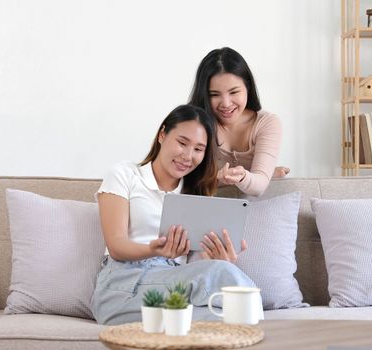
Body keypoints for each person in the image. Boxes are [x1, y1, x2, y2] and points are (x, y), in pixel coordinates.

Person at [90, 104, 259, 325]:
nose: (188, 156)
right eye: (182, 143)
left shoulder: (195, 197)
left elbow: (192, 267)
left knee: (229, 321)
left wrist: (216, 258)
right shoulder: (125, 174)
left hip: (175, 289)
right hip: (123, 285)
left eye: (199, 149)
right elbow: (116, 245)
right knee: (223, 275)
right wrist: (153, 249)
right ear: (162, 134)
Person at [189, 47, 289, 197]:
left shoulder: (267, 123)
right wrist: (219, 178)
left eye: (234, 92)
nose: (226, 104)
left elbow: (259, 186)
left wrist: (244, 176)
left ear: (247, 87)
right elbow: (186, 180)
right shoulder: (195, 123)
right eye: (214, 94)